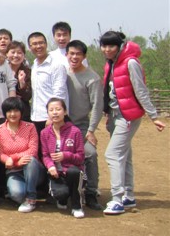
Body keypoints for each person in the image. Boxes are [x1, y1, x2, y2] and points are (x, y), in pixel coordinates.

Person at [99, 31, 165, 215]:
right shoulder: (111, 63)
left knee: (112, 154)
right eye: (104, 45)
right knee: (124, 154)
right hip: (115, 115)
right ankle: (128, 195)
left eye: (111, 45)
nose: (107, 49)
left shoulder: (131, 63)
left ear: (119, 46)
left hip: (127, 116)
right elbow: (111, 92)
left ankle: (116, 199)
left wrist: (153, 116)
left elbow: (140, 90)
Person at [65, 40, 104, 210]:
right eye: (71, 53)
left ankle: (91, 192)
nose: (74, 57)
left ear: (84, 56)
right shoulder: (62, 73)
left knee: (90, 154)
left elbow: (97, 106)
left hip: (81, 126)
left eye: (78, 54)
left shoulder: (92, 78)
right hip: (61, 126)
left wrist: (91, 130)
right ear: (66, 54)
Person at [40, 98, 86, 218]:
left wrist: (65, 155)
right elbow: (45, 155)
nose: (55, 112)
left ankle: (77, 206)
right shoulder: (44, 133)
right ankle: (63, 198)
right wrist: (50, 166)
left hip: (72, 172)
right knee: (60, 194)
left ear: (65, 112)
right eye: (51, 110)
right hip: (56, 173)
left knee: (74, 172)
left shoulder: (75, 131)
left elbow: (81, 157)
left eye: (58, 109)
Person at [0, 97, 42, 213]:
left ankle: (31, 198)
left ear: (21, 112)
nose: (12, 114)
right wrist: (14, 162)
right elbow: (0, 153)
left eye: (16, 110)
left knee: (30, 159)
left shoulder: (30, 127)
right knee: (17, 194)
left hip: (33, 169)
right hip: (14, 171)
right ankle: (26, 192)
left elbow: (33, 150)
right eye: (9, 111)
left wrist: (13, 158)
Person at [28, 32, 68, 135]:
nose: (38, 46)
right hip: (36, 117)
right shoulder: (34, 65)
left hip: (51, 118)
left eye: (41, 43)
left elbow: (59, 93)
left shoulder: (56, 65)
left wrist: (51, 117)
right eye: (34, 44)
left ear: (46, 44)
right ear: (30, 47)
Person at [6, 41, 32, 121]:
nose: (16, 55)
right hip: (4, 111)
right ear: (6, 54)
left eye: (19, 53)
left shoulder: (28, 72)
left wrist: (22, 83)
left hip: (23, 112)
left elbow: (27, 97)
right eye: (13, 52)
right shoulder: (1, 70)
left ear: (24, 55)